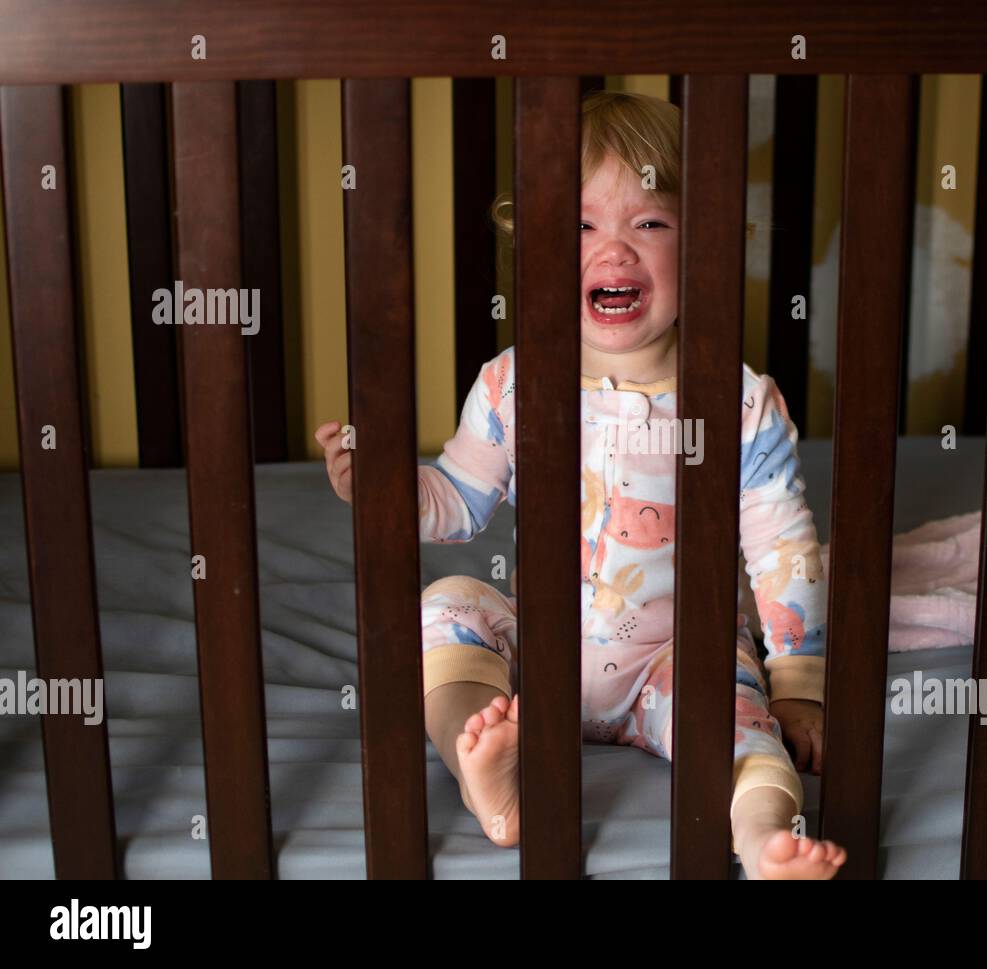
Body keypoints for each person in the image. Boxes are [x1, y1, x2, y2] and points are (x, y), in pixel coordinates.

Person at [316, 90, 843, 879]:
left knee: (745, 727)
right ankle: (488, 770)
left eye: (651, 222)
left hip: (680, 652)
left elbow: (783, 549)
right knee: (446, 606)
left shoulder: (737, 401)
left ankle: (766, 839)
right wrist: (391, 488)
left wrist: (799, 681)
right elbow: (458, 501)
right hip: (542, 648)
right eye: (583, 225)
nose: (616, 249)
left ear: (701, 244)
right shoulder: (513, 383)